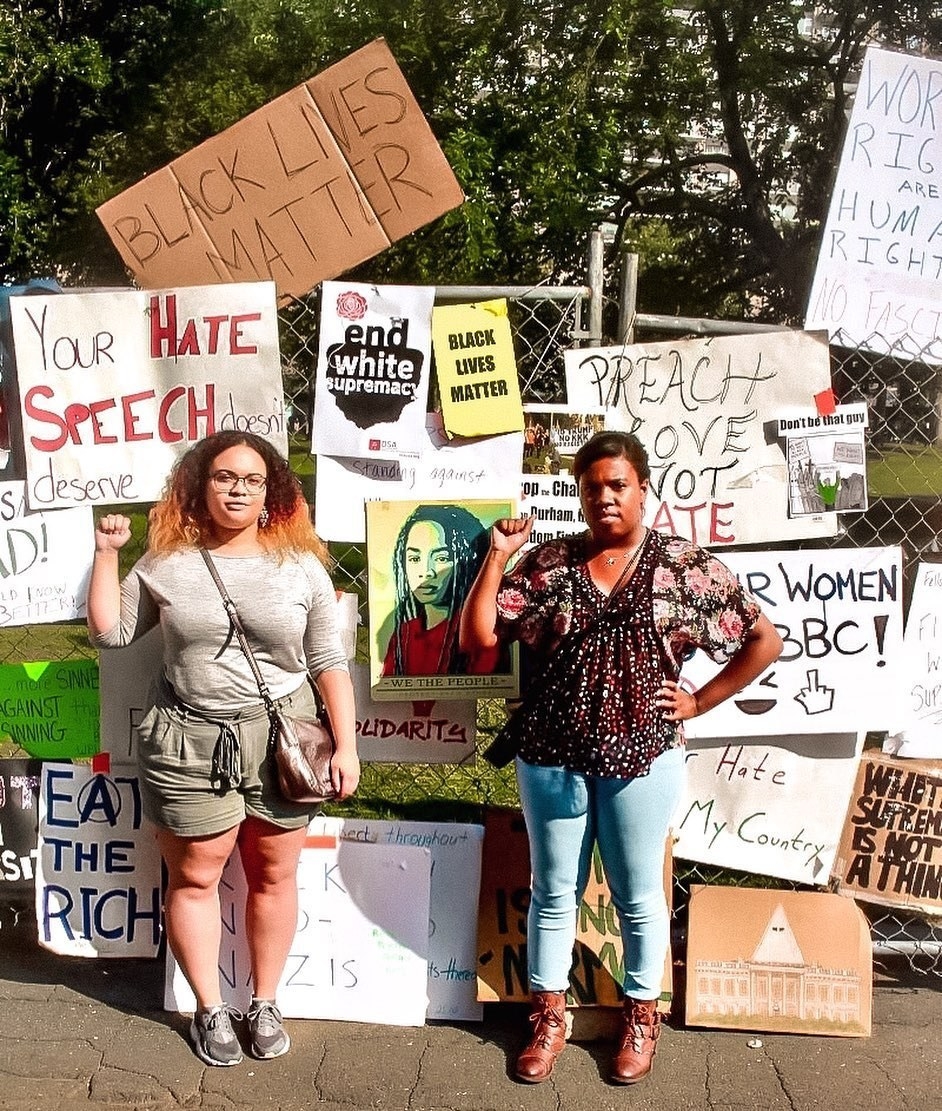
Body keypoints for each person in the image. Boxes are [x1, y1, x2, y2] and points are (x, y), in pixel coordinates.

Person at [459, 430, 783, 1086]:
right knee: (554, 890)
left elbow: (762, 638)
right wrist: (498, 556)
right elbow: (481, 636)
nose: (604, 497)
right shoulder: (552, 563)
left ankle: (641, 1013)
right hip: (552, 753)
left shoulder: (682, 566)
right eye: (591, 486)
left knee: (638, 895)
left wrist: (699, 702)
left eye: (618, 485)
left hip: (643, 754)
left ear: (642, 489)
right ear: (578, 493)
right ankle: (548, 1015)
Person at [86, 430, 358, 1068]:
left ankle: (264, 1001)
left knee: (272, 874)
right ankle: (210, 1007)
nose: (238, 489)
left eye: (252, 480)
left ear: (272, 493)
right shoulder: (166, 563)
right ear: (199, 487)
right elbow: (110, 633)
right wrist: (106, 554)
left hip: (283, 738)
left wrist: (346, 744)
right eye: (224, 477)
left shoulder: (301, 568)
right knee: (198, 874)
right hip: (188, 739)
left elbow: (328, 660)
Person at [381, 502, 501, 677]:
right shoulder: (404, 634)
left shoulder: (478, 631)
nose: (426, 572)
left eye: (441, 558)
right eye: (414, 558)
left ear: (465, 562)